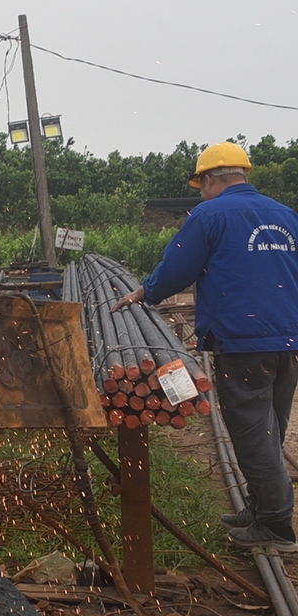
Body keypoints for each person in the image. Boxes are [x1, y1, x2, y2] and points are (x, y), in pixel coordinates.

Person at [112, 141, 298, 552]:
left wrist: (145, 292)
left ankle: (277, 525)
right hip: (288, 341)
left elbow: (178, 267)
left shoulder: (210, 215)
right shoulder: (286, 216)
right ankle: (260, 507)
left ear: (212, 180)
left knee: (252, 435)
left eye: (201, 185)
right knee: (269, 430)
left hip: (244, 343)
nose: (201, 192)